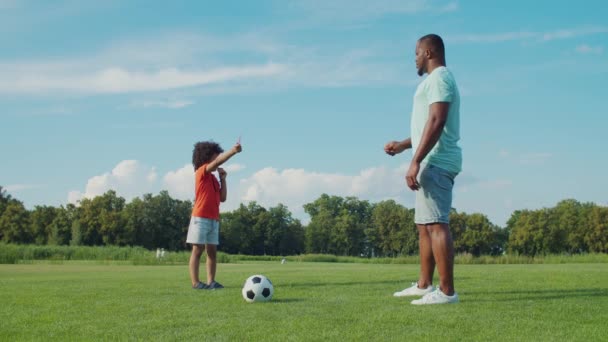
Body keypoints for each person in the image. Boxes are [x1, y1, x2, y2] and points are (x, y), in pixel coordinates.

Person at [384, 34, 462, 305]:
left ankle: (447, 292)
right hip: (429, 159)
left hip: (437, 160)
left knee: (437, 224)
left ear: (428, 52)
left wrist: (415, 161)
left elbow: (438, 120)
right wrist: (404, 145)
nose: (414, 59)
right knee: (424, 226)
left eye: (416, 54)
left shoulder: (440, 77)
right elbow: (426, 125)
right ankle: (424, 285)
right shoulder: (433, 81)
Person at [187, 140, 242, 290]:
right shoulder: (201, 172)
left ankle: (211, 281)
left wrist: (223, 179)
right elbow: (218, 161)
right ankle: (196, 283)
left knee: (212, 252)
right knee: (197, 250)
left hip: (213, 219)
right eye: (215, 155)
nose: (217, 158)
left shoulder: (213, 179)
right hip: (200, 218)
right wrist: (233, 151)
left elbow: (223, 198)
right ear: (206, 157)